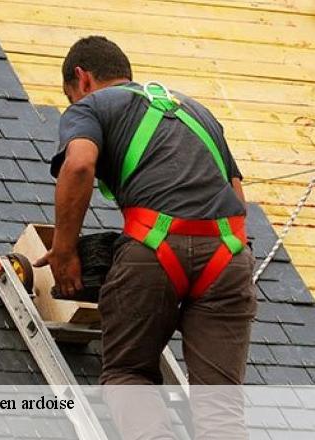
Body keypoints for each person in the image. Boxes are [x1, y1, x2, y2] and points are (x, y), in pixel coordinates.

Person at [34, 36, 257, 439]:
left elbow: (79, 164)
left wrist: (64, 251)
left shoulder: (91, 107)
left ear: (82, 79)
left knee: (128, 373)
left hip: (155, 249)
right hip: (228, 257)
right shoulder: (198, 112)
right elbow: (236, 198)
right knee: (220, 405)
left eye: (70, 96)